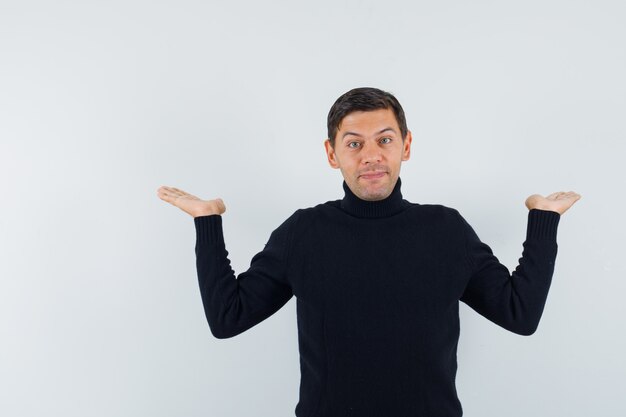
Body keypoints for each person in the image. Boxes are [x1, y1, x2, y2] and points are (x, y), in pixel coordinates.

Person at [156, 87, 581, 417]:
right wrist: (206, 221)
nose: (372, 156)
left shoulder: (446, 230)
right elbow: (228, 318)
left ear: (406, 146)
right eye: (354, 143)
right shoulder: (303, 232)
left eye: (385, 139)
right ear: (332, 153)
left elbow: (519, 314)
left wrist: (543, 221)